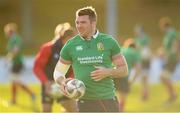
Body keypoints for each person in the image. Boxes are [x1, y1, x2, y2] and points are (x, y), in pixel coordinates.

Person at [53, 6, 128, 112]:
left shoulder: (109, 41)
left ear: (93, 23)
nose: (79, 26)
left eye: (83, 22)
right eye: (77, 22)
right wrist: (62, 82)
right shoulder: (70, 45)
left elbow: (124, 70)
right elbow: (58, 71)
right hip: (84, 102)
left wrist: (108, 72)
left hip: (107, 100)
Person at [33, 22, 77, 112]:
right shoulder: (48, 48)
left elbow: (75, 69)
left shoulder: (74, 50)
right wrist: (46, 82)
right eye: (73, 39)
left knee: (73, 110)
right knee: (46, 110)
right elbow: (37, 67)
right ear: (66, 38)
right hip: (48, 84)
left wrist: (68, 81)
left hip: (64, 84)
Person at [4, 23, 36, 105]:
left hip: (17, 63)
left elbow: (15, 50)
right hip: (16, 63)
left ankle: (31, 93)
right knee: (14, 81)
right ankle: (14, 100)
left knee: (15, 80)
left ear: (9, 32)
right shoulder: (13, 39)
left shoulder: (15, 39)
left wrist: (9, 58)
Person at [114, 38, 141, 111]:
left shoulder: (121, 49)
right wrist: (131, 81)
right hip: (123, 76)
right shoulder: (134, 52)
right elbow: (138, 69)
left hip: (113, 74)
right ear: (134, 47)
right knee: (122, 99)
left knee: (111, 97)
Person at [159, 17, 178, 104]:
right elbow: (166, 47)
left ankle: (172, 96)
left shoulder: (172, 33)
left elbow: (175, 45)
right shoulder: (168, 34)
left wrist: (170, 55)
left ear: (164, 26)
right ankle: (172, 95)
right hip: (168, 58)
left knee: (164, 77)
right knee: (164, 77)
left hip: (172, 59)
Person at [134, 24, 152, 101]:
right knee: (142, 78)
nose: (135, 31)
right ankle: (144, 95)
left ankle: (145, 95)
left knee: (145, 78)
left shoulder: (145, 38)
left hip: (146, 60)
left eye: (137, 29)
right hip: (140, 60)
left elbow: (147, 49)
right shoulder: (137, 39)